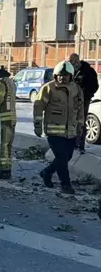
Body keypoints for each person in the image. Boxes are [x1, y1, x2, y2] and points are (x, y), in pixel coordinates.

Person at [33, 61, 84, 194]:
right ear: (55, 75)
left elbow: (80, 109)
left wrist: (80, 124)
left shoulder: (77, 89)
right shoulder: (48, 88)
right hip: (53, 132)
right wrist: (37, 125)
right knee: (61, 158)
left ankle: (46, 172)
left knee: (67, 157)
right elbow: (38, 107)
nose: (62, 78)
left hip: (70, 132)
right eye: (60, 75)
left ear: (71, 76)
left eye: (66, 75)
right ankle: (66, 185)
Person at [68, 53, 99, 153]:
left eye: (72, 61)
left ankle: (80, 144)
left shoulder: (88, 71)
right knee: (72, 120)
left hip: (84, 100)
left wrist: (86, 94)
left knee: (81, 121)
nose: (72, 63)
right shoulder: (71, 70)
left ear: (77, 60)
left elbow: (95, 86)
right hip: (72, 99)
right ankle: (72, 142)